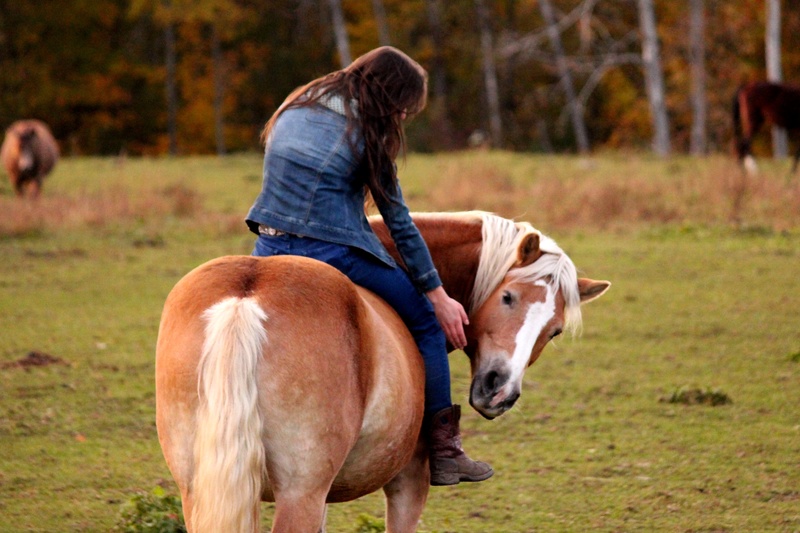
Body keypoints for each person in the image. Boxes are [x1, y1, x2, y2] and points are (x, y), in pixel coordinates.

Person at [245, 46, 492, 486]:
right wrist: (437, 295)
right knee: (427, 325)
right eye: (402, 109)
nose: (400, 119)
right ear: (390, 98)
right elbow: (397, 221)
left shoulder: (295, 105)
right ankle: (445, 451)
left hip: (268, 246)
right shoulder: (366, 132)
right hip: (330, 251)